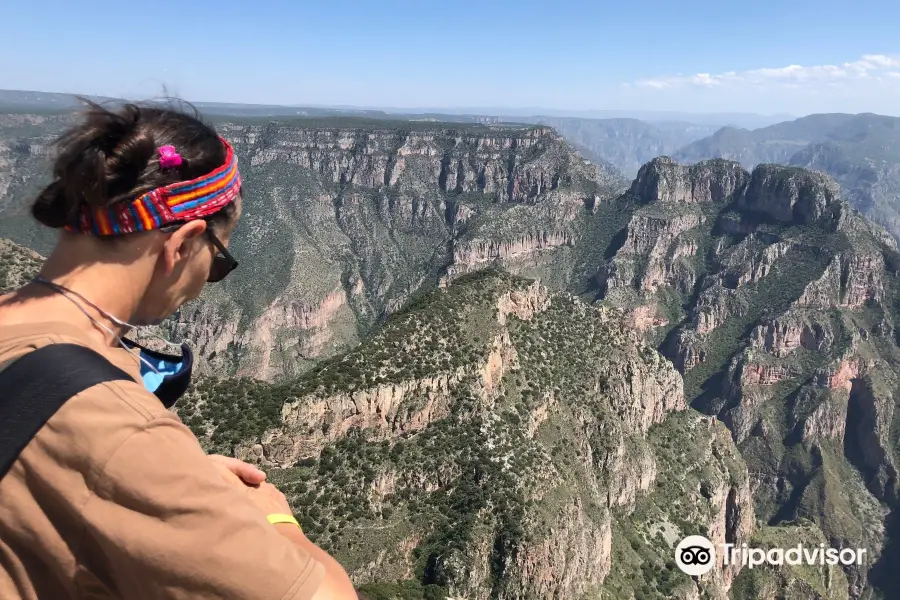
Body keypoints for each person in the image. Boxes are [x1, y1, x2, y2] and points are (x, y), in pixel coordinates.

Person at [0, 101, 357, 599]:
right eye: (219, 262)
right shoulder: (117, 428)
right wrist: (272, 517)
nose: (210, 282)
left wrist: (172, 482)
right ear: (184, 243)